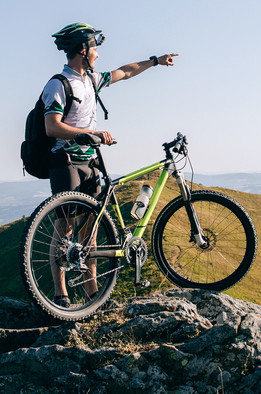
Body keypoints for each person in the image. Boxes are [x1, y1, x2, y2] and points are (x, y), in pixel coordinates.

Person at [41, 22, 177, 307]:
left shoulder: (91, 80)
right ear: (82, 50)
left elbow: (125, 72)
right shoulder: (58, 84)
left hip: (90, 162)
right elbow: (51, 126)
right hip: (65, 162)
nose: (98, 54)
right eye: (94, 48)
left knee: (90, 229)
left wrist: (154, 61)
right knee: (64, 230)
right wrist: (86, 134)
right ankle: (60, 294)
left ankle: (92, 293)